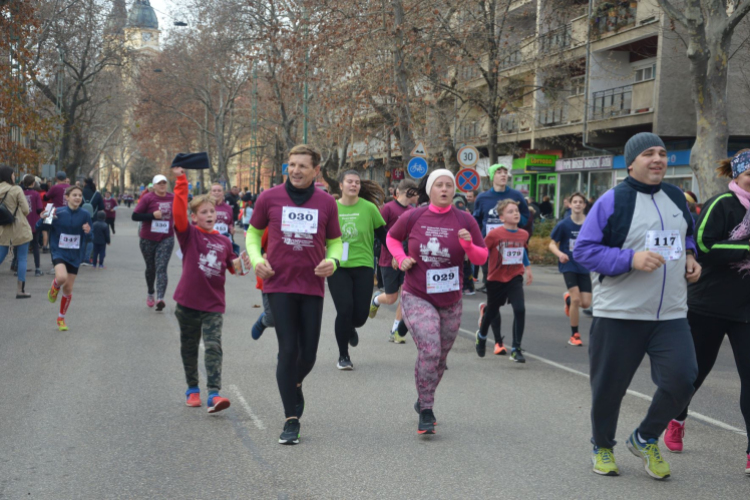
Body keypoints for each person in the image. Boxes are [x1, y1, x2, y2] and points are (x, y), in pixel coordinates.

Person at [574, 132, 700, 480]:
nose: (658, 159)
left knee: (683, 378)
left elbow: (686, 233)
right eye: (649, 154)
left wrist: (690, 256)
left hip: (671, 314)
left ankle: (645, 438)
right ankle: (602, 445)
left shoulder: (677, 196)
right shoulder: (613, 200)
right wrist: (630, 258)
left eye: (662, 153)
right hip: (620, 314)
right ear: (631, 162)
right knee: (608, 388)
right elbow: (584, 250)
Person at [246, 144, 343, 445]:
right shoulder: (269, 197)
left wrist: (334, 261)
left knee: (309, 355)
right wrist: (258, 259)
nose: (296, 170)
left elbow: (336, 242)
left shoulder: (326, 202)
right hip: (279, 283)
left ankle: (295, 381)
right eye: (291, 165)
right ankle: (291, 419)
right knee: (288, 350)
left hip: (312, 285)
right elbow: (251, 234)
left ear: (316, 170)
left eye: (302, 166)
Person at [663, 150, 750, 474]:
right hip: (708, 305)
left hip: (747, 308)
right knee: (694, 374)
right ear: (737, 176)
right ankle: (676, 417)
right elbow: (703, 246)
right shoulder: (720, 204)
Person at [386, 169, 487, 435]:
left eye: (449, 185)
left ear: (454, 190)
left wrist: (468, 247)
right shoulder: (414, 216)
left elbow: (481, 258)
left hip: (450, 299)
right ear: (430, 190)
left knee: (440, 358)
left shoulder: (465, 220)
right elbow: (392, 238)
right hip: (417, 294)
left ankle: (423, 396)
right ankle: (428, 409)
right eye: (439, 185)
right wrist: (401, 257)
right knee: (430, 349)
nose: (444, 189)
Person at [172, 167, 242, 414]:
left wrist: (240, 264)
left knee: (213, 345)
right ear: (194, 217)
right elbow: (178, 211)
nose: (210, 214)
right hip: (188, 303)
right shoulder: (189, 234)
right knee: (189, 346)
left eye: (212, 211)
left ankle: (214, 393)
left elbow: (233, 266)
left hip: (213, 304)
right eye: (204, 212)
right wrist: (181, 181)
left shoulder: (224, 241)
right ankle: (192, 389)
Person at [328, 170, 386, 370]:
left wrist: (397, 256)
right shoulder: (331, 208)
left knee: (360, 317)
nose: (354, 185)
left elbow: (383, 235)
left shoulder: (369, 208)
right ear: (341, 185)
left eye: (357, 182)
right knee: (343, 310)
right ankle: (343, 356)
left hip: (363, 265)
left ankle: (352, 327)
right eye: (349, 182)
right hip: (337, 266)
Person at [475, 199, 532, 362]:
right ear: (501, 217)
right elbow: (482, 251)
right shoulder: (494, 235)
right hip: (496, 279)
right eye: (510, 211)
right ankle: (482, 335)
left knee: (520, 309)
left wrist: (527, 268)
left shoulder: (523, 234)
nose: (515, 213)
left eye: (517, 211)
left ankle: (516, 348)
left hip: (515, 277)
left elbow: (521, 251)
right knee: (492, 311)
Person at [369, 178, 418, 343]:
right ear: (408, 192)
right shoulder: (388, 208)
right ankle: (377, 299)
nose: (417, 196)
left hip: (407, 260)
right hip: (387, 259)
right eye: (416, 192)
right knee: (391, 298)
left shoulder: (413, 210)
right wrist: (394, 255)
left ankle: (395, 331)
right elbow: (380, 234)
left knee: (405, 295)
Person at [38, 185, 93, 330]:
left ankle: (61, 318)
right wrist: (42, 218)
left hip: (75, 255)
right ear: (67, 197)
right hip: (59, 252)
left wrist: (88, 232)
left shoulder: (85, 214)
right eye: (74, 195)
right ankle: (54, 288)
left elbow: (90, 236)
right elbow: (39, 227)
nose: (77, 198)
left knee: (68, 288)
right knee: (61, 278)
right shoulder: (56, 211)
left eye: (80, 195)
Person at [548, 192, 591, 347]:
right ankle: (574, 334)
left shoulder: (590, 224)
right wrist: (560, 254)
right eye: (575, 202)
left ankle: (567, 299)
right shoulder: (564, 225)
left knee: (586, 304)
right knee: (577, 299)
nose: (578, 204)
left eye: (581, 202)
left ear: (585, 205)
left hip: (584, 265)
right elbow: (552, 244)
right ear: (570, 205)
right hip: (569, 264)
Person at [132, 174, 175, 312]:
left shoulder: (172, 198)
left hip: (166, 238)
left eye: (164, 183)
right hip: (148, 239)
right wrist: (151, 216)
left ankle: (160, 298)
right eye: (159, 183)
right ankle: (151, 291)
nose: (162, 185)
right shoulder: (148, 198)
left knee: (161, 267)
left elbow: (180, 215)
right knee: (151, 268)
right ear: (154, 186)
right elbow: (135, 216)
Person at [0, 166, 33, 298]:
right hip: (20, 227)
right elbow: (26, 209)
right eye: (14, 174)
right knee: (22, 258)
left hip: (3, 228)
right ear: (10, 176)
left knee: (1, 254)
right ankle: (20, 290)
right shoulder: (16, 189)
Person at [209, 182, 240, 256]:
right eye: (214, 191)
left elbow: (230, 223)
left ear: (223, 193)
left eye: (219, 191)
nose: (217, 193)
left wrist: (231, 229)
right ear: (210, 193)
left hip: (224, 240)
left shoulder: (228, 207)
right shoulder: (207, 206)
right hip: (210, 240)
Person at [22, 175, 44, 277]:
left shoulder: (21, 193)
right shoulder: (35, 194)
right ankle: (37, 269)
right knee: (35, 245)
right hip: (34, 223)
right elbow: (39, 209)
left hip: (22, 223)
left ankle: (20, 268)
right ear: (33, 183)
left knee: (22, 247)